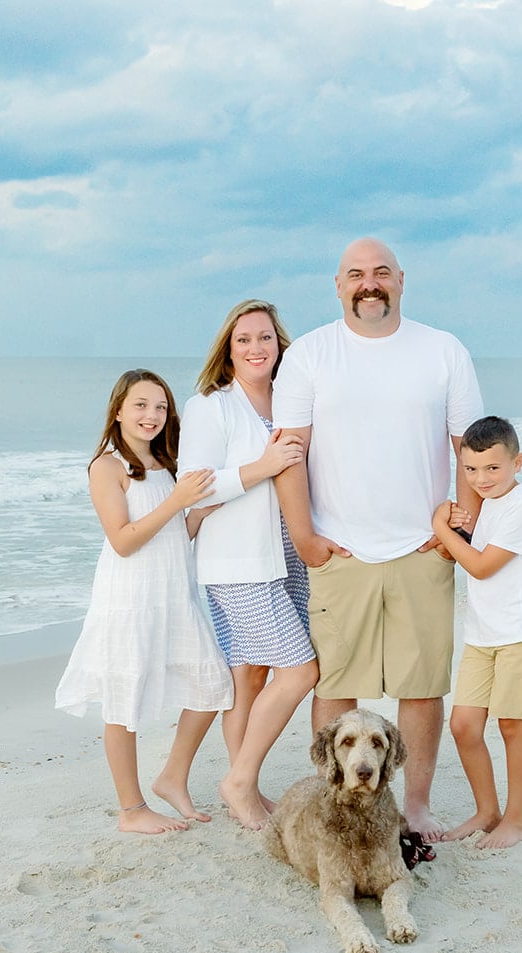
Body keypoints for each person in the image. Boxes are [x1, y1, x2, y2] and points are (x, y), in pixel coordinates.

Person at [273, 237, 484, 841]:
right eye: (357, 275)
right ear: (338, 285)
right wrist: (305, 538)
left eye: (381, 273)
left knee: (421, 687)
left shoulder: (442, 351)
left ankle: (414, 808)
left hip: (423, 549)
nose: (370, 283)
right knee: (337, 685)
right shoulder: (311, 354)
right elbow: (290, 452)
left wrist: (458, 531)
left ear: (400, 281)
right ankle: (329, 806)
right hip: (340, 552)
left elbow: (467, 447)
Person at [55, 369, 234, 834]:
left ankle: (172, 777)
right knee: (124, 701)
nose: (151, 415)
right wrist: (178, 502)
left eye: (160, 407)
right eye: (140, 405)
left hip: (174, 593)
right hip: (129, 597)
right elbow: (123, 540)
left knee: (214, 685)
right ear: (118, 411)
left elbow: (177, 534)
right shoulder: (107, 466)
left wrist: (197, 513)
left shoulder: (167, 463)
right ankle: (131, 810)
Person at [179, 299, 320, 830]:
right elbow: (196, 486)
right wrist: (263, 466)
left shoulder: (292, 402)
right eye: (244, 340)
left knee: (252, 676)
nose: (256, 348)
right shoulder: (210, 407)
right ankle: (237, 782)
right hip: (237, 562)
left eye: (265, 338)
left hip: (288, 553)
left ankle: (248, 790)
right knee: (301, 667)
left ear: (279, 344)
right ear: (228, 350)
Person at [429, 416, 522, 849]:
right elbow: (461, 549)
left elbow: (480, 567)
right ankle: (487, 810)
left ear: (518, 462)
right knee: (463, 725)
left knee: (513, 726)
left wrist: (440, 525)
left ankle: (516, 820)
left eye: (493, 468)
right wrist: (453, 525)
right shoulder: (486, 504)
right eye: (471, 470)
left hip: (520, 635)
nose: (481, 479)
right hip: (481, 636)